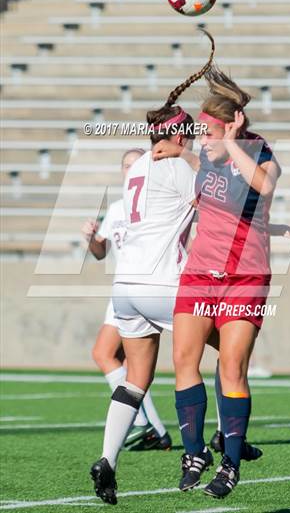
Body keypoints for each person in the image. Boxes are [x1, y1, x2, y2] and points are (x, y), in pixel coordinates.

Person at [89, 34, 218, 505]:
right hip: (164, 282)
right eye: (186, 133)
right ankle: (217, 440)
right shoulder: (177, 164)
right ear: (176, 134)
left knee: (135, 378)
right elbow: (217, 195)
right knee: (229, 343)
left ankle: (108, 459)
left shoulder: (139, 164)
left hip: (125, 287)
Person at [169, 64, 281, 498]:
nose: (202, 138)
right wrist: (178, 150)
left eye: (208, 131)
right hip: (200, 273)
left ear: (231, 128)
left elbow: (263, 188)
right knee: (183, 358)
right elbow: (216, 186)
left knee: (232, 365)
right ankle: (194, 451)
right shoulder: (206, 157)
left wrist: (231, 142)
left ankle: (230, 464)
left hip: (244, 277)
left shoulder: (260, 153)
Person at [81, 148, 171, 452]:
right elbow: (100, 252)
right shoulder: (119, 207)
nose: (131, 170)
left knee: (108, 355)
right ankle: (153, 428)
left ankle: (146, 424)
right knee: (113, 357)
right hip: (124, 291)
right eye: (126, 166)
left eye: (137, 165)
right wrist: (91, 237)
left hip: (142, 287)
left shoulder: (153, 203)